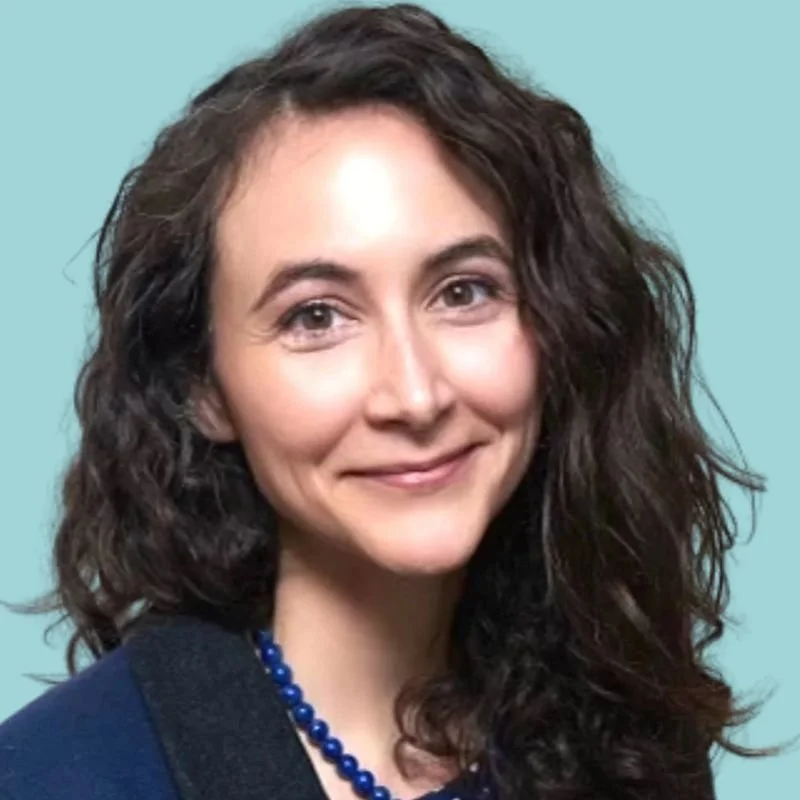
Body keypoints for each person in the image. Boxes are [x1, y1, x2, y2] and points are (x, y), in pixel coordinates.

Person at [0, 4, 769, 799]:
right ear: (203, 387)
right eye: (316, 317)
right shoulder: (56, 776)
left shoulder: (624, 735)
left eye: (464, 292)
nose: (415, 394)